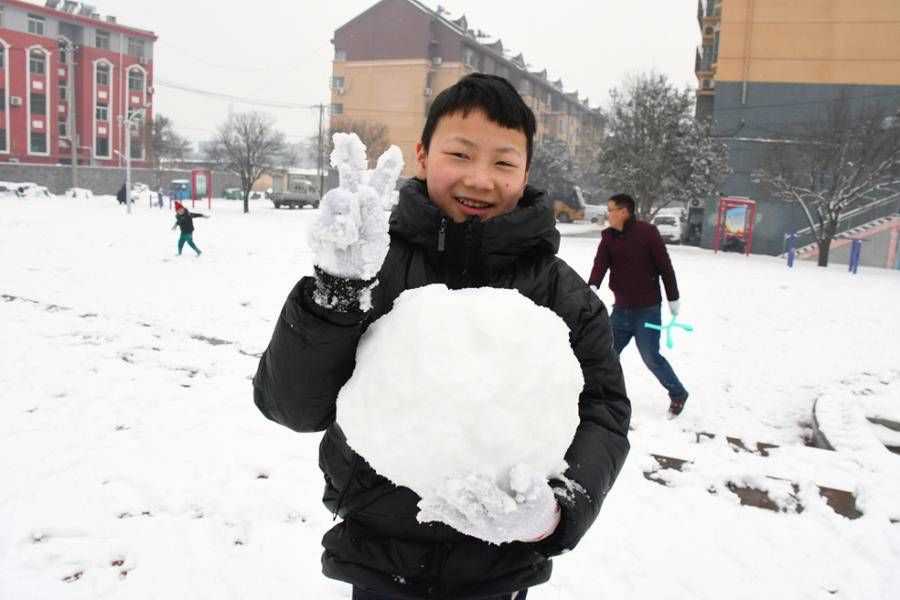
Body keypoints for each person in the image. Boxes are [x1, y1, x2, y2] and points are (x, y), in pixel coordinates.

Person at [252, 74, 630, 600]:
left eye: (503, 162)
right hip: (376, 558)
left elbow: (604, 410)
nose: (480, 179)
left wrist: (555, 511)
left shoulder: (561, 295)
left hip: (499, 570)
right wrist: (334, 296)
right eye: (461, 154)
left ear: (525, 173)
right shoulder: (369, 268)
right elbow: (292, 407)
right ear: (424, 157)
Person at [587, 193, 689, 417]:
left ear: (624, 211)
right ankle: (598, 396)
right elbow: (600, 265)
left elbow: (665, 267)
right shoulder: (608, 237)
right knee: (607, 354)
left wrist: (673, 297)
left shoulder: (647, 233)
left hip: (647, 311)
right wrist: (592, 286)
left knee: (651, 357)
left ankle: (678, 393)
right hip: (620, 311)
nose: (608, 214)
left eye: (610, 210)